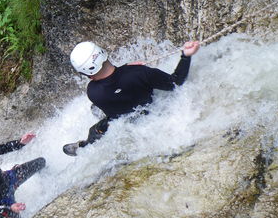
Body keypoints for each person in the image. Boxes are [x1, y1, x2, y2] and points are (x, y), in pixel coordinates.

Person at [63, 40, 200, 156]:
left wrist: (125, 69)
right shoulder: (141, 73)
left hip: (120, 123)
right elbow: (175, 83)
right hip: (149, 116)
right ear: (103, 53)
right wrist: (186, 56)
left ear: (89, 75)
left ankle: (83, 147)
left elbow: (113, 84)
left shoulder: (92, 92)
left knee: (95, 130)